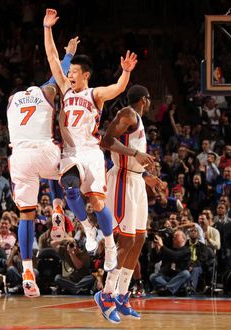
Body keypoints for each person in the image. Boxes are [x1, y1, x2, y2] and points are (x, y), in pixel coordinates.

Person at [43, 8, 137, 273]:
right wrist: (47, 28)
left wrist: (126, 72)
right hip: (71, 151)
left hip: (91, 151)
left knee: (97, 203)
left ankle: (109, 244)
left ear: (85, 74)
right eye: (68, 71)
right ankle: (87, 228)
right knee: (70, 188)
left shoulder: (94, 94)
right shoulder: (64, 89)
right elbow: (52, 57)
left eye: (73, 71)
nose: (69, 74)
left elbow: (118, 88)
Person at [7, 37, 79, 297]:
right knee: (66, 159)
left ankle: (27, 269)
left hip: (19, 158)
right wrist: (69, 54)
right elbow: (56, 72)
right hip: (44, 151)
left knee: (26, 214)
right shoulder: (47, 92)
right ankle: (58, 210)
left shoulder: (11, 101)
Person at [94, 84, 164, 323]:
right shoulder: (127, 114)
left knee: (140, 238)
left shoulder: (139, 122)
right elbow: (105, 142)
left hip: (135, 181)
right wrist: (136, 156)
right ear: (144, 99)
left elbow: (131, 156)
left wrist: (146, 176)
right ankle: (106, 294)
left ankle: (123, 294)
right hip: (122, 180)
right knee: (126, 239)